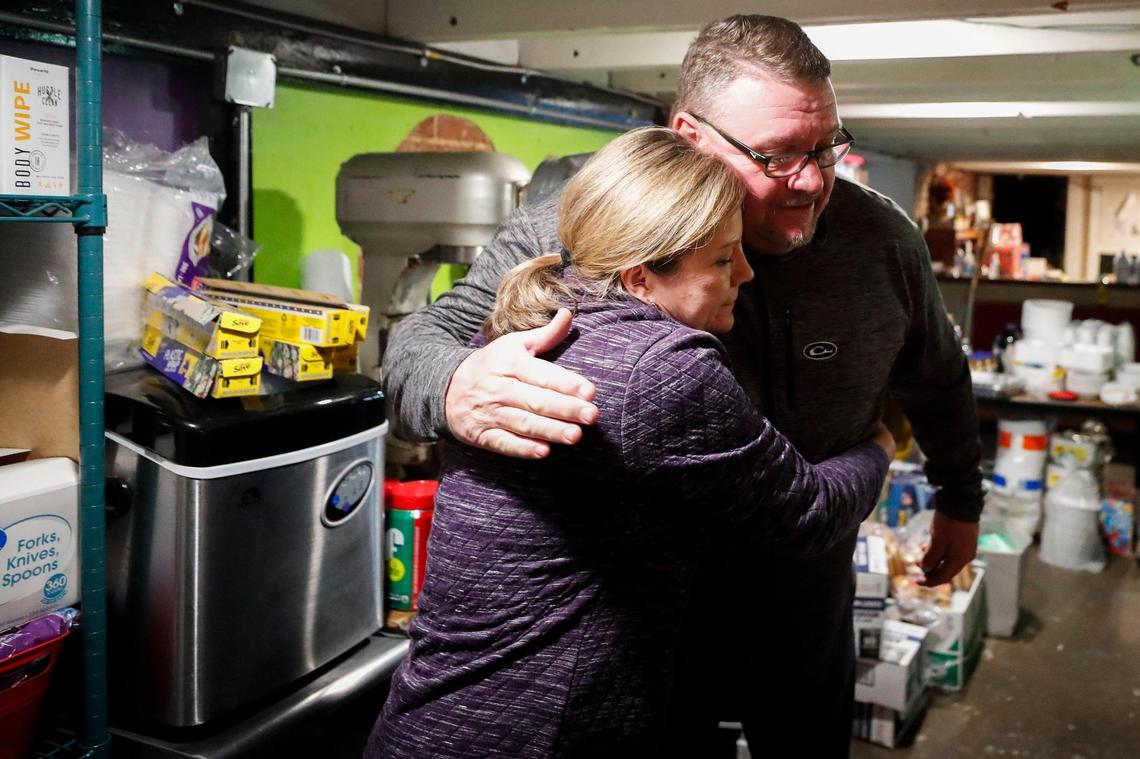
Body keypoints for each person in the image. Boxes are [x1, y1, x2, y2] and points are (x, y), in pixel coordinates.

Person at [382, 15, 984, 756]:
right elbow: (419, 342)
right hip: (645, 630)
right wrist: (452, 385)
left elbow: (938, 376)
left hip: (804, 605)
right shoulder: (589, 222)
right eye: (779, 155)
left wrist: (960, 496)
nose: (813, 179)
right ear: (690, 135)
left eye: (826, 146)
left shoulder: (881, 241)